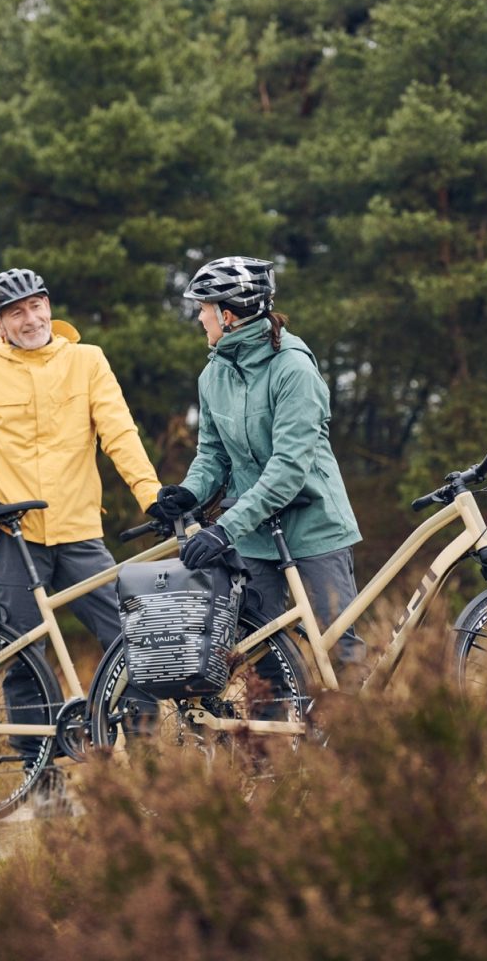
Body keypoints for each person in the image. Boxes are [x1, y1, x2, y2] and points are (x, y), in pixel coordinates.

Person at [0, 266, 162, 769]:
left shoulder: (87, 361)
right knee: (23, 656)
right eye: (17, 312)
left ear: (49, 306)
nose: (31, 318)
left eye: (37, 306)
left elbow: (120, 435)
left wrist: (152, 496)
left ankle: (148, 764)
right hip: (13, 537)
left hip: (79, 533)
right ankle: (42, 772)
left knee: (132, 637)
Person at [153, 255, 366, 679]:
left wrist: (224, 530)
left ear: (227, 315)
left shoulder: (294, 369)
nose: (199, 318)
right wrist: (189, 492)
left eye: (202, 309)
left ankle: (351, 742)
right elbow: (213, 453)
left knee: (339, 650)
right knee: (259, 657)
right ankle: (268, 746)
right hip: (254, 535)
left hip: (314, 525)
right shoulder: (213, 374)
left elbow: (287, 470)